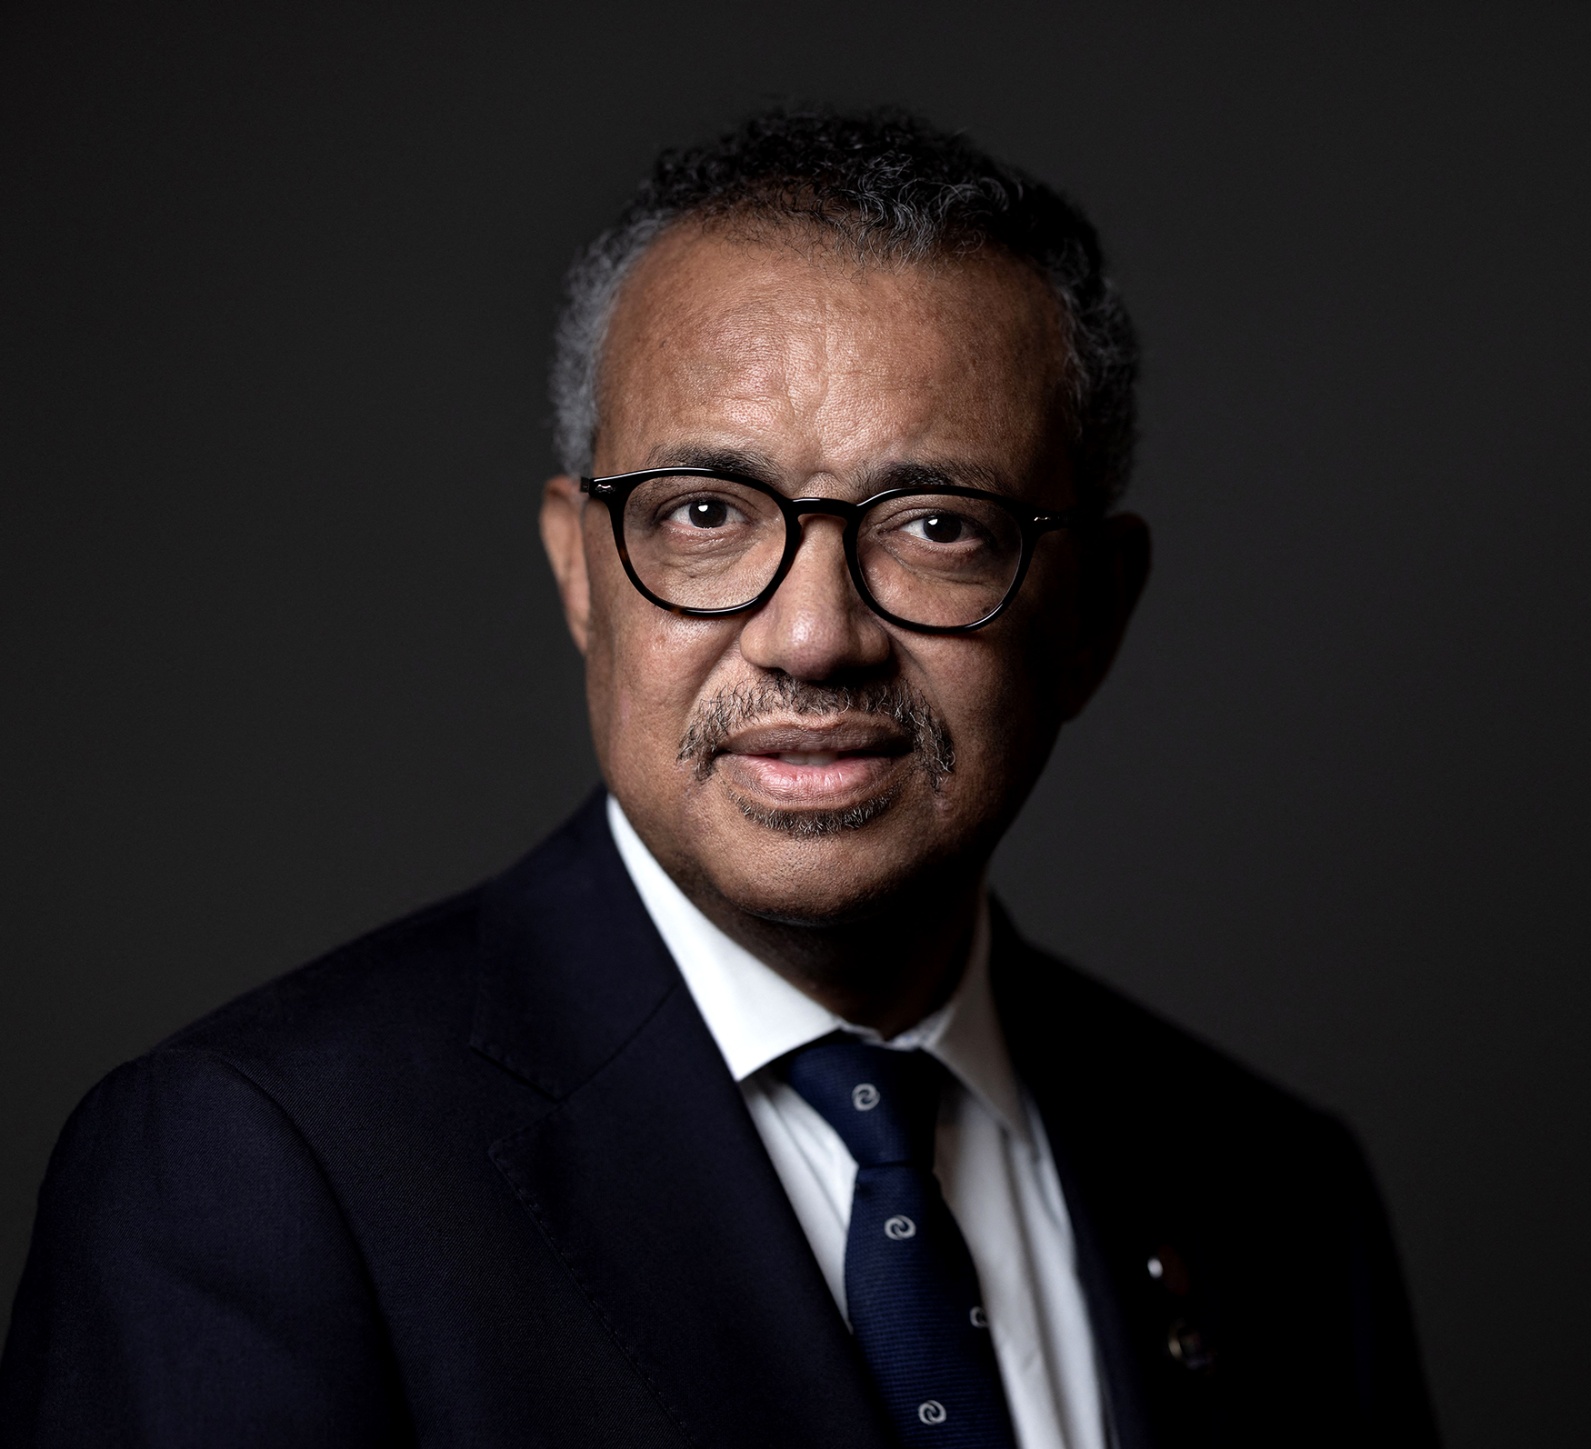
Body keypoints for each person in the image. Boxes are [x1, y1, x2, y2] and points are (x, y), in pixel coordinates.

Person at [0, 108, 1437, 1447]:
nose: (814, 636)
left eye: (937, 525)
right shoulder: (256, 1171)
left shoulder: (1280, 1196)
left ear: (1094, 614)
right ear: (579, 572)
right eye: (705, 513)